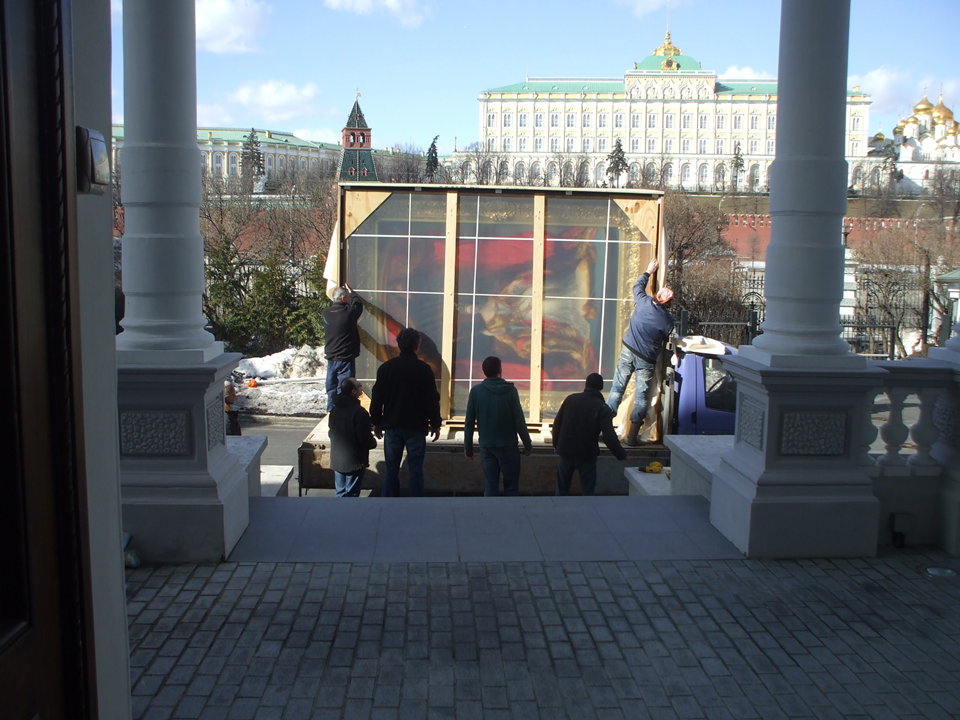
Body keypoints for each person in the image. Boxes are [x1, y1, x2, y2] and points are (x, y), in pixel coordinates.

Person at [606, 257, 674, 446]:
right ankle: (632, 437)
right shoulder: (668, 321)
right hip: (647, 359)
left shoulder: (643, 302)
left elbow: (637, 285)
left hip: (628, 351)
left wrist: (648, 271)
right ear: (668, 304)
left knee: (617, 388)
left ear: (657, 296)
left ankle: (603, 430)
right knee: (642, 396)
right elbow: (668, 336)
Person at [369, 328, 441, 497]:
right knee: (416, 469)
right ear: (417, 345)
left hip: (392, 426)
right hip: (416, 426)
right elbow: (431, 399)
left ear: (398, 345)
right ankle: (415, 505)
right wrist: (435, 424)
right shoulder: (424, 369)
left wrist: (376, 421)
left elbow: (377, 397)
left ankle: (388, 505)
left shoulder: (386, 368)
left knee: (391, 470)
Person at [464, 356, 533, 497]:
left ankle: (491, 516)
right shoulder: (510, 391)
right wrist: (527, 444)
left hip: (487, 446)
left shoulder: (476, 392)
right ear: (500, 370)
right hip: (509, 446)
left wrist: (468, 446)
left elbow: (469, 422)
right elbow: (519, 421)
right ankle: (511, 515)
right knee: (512, 486)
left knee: (490, 486)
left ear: (484, 372)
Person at [553, 373, 628, 496]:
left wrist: (556, 445)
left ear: (586, 384)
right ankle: (588, 513)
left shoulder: (570, 399)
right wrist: (622, 455)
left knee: (562, 490)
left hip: (566, 451)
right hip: (587, 455)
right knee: (588, 492)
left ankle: (559, 513)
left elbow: (557, 424)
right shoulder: (602, 408)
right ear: (601, 387)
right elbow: (609, 437)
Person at [327, 377, 377, 497]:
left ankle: (339, 514)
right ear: (353, 391)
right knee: (352, 494)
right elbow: (364, 438)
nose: (361, 388)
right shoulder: (360, 413)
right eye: (359, 385)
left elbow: (331, 432)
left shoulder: (334, 409)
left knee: (340, 492)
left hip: (337, 460)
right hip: (354, 462)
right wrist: (373, 443)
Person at [322, 283, 363, 411]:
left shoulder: (326, 313)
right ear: (344, 299)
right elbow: (358, 305)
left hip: (331, 357)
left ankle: (331, 412)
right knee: (344, 388)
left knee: (331, 387)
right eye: (348, 298)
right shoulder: (349, 313)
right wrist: (353, 294)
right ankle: (343, 413)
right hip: (345, 358)